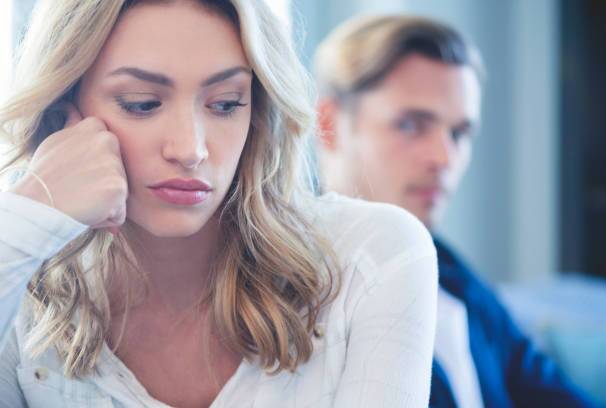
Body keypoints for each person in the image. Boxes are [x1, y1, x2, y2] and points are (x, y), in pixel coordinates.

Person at [0, 1, 438, 407]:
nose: (191, 149)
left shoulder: (368, 260)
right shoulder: (20, 292)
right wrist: (32, 209)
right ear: (62, 112)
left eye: (226, 104)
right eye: (142, 104)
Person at [315, 15, 596, 408]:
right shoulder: (295, 296)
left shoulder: (451, 274)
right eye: (412, 125)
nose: (445, 157)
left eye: (459, 133)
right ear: (328, 124)